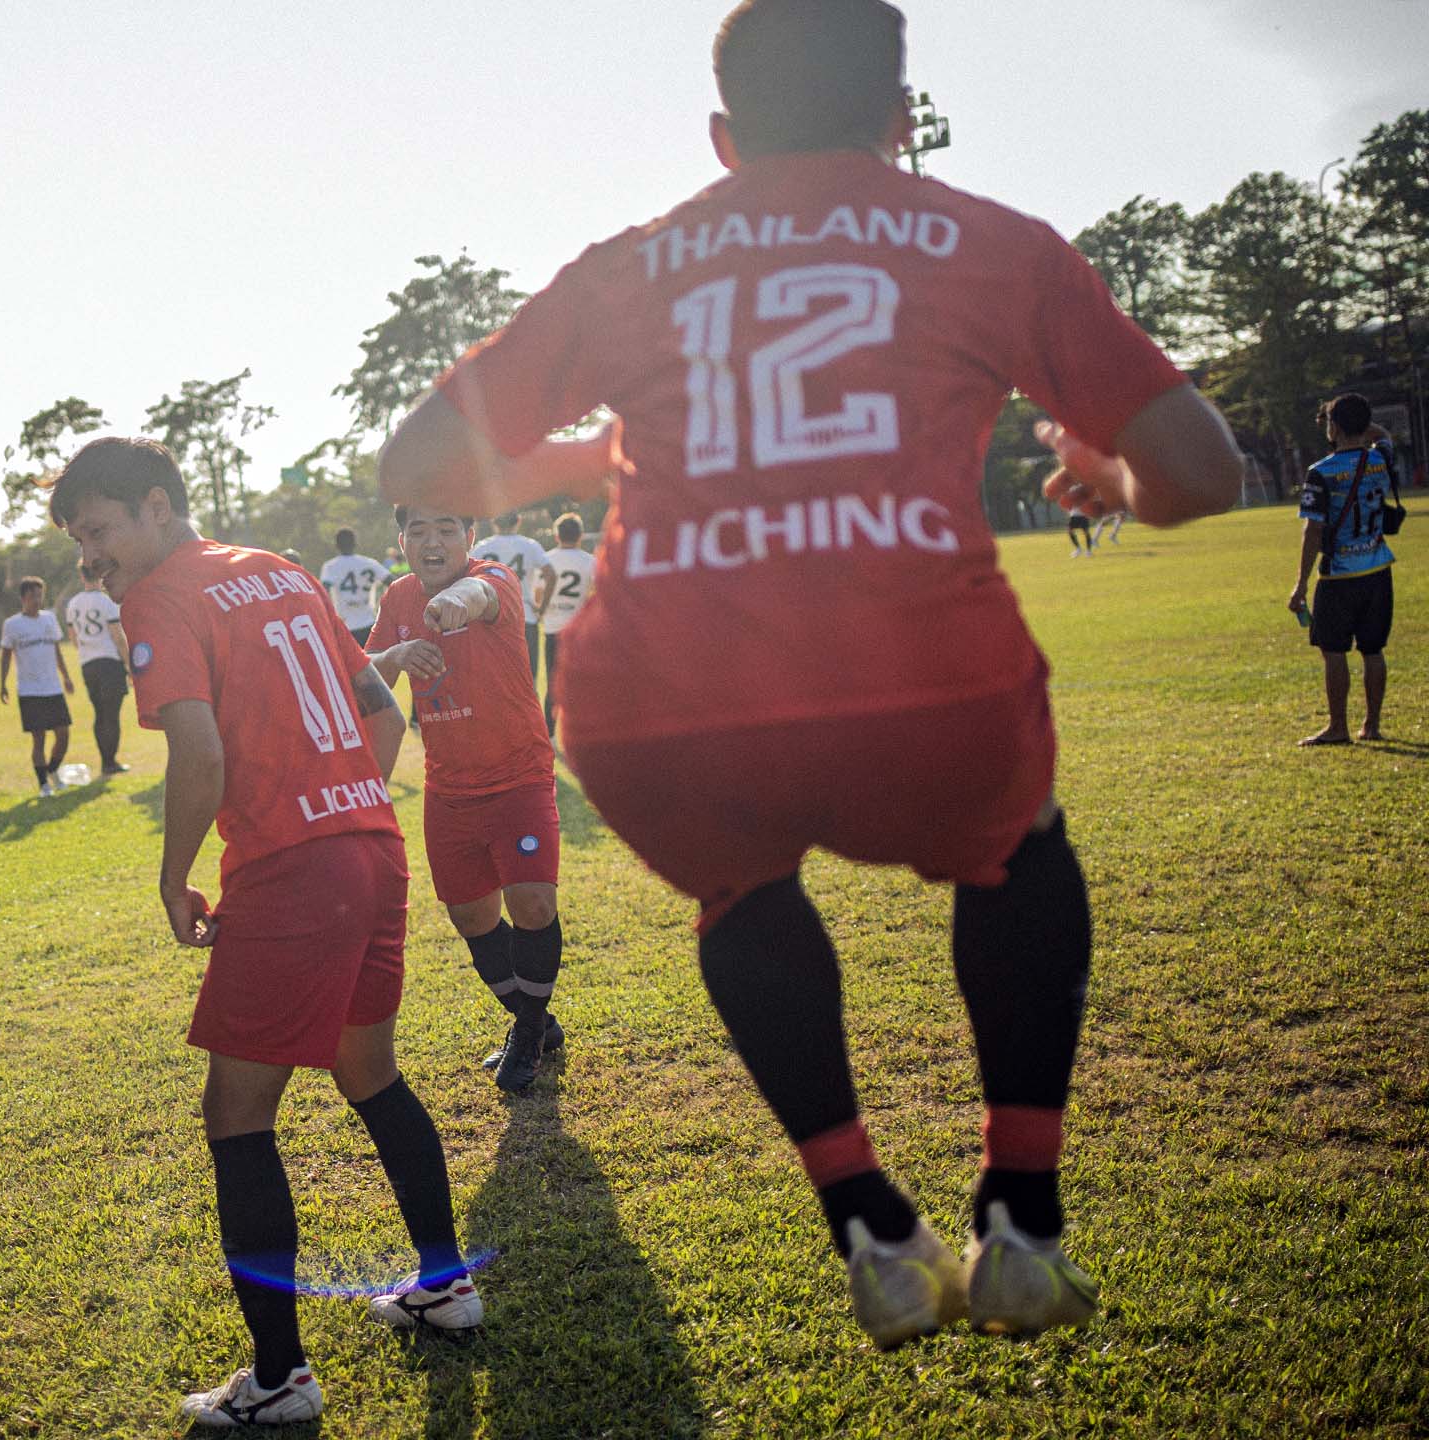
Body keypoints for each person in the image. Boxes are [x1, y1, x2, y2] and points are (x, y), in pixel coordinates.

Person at [376, 0, 1242, 1348]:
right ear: (902, 122)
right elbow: (1203, 472)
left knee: (743, 887)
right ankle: (1021, 1208)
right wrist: (1105, 472)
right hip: (921, 668)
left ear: (724, 140)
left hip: (662, 697)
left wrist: (609, 452)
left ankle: (866, 1222)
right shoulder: (987, 239)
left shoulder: (636, 264)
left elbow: (416, 466)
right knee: (1018, 850)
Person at [51, 438, 478, 1428]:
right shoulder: (278, 571)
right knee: (369, 1074)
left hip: (293, 873)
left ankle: (280, 1380)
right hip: (370, 849)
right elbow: (385, 716)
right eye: (78, 542)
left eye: (102, 531)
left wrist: (175, 875)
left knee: (236, 1118)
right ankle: (448, 1287)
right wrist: (340, 806)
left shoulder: (161, 594)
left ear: (157, 508)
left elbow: (196, 753)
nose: (94, 559)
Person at [367, 506, 566, 1095]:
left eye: (446, 530)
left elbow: (481, 594)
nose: (433, 541)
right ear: (402, 539)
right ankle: (537, 1021)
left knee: (532, 904)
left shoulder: (493, 577)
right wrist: (395, 657)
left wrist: (455, 602)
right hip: (448, 790)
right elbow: (361, 676)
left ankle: (527, 1032)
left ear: (469, 537)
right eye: (420, 531)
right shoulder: (397, 598)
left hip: (519, 779)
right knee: (472, 918)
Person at [1289, 393, 1400, 745]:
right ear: (1364, 426)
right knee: (1373, 650)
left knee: (1333, 650)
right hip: (1378, 570)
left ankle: (1338, 726)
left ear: (1332, 427)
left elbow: (1313, 531)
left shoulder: (1321, 472)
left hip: (1338, 576)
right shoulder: (1380, 459)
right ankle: (1372, 725)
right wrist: (1364, 425)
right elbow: (1384, 437)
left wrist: (1300, 585)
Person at [0, 578, 77, 797]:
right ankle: (43, 783)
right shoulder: (12, 625)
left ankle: (52, 770)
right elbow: (5, 655)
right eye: (33, 595)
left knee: (63, 734)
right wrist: (2, 684)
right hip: (29, 690)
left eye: (40, 595)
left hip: (52, 687)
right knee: (39, 738)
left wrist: (67, 677)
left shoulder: (49, 619)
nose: (38, 600)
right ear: (24, 598)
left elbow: (57, 651)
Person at [470, 512, 556, 682]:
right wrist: (542, 608)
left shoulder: (481, 547)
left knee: (495, 680)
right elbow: (551, 575)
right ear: (518, 521)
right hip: (525, 616)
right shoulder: (530, 545)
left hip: (491, 620)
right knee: (528, 680)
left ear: (494, 523)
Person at [532, 513, 597, 736]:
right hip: (578, 630)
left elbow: (539, 593)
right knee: (582, 683)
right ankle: (582, 730)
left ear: (556, 535)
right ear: (580, 536)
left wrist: (544, 610)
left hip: (552, 628)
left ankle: (548, 732)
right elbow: (598, 594)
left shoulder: (547, 559)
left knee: (552, 683)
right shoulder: (590, 561)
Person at [65, 572, 133, 775]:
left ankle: (106, 760)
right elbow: (117, 635)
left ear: (82, 577)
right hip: (109, 662)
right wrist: (128, 664)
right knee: (111, 715)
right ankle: (109, 762)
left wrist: (86, 650)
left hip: (88, 664)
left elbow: (72, 636)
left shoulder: (73, 603)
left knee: (99, 714)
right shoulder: (106, 602)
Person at [318, 527, 392, 646]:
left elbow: (322, 593)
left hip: (345, 625)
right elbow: (392, 582)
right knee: (373, 662)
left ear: (336, 545)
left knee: (349, 664)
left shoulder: (330, 566)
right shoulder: (369, 563)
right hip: (369, 623)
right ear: (355, 543)